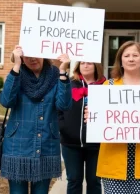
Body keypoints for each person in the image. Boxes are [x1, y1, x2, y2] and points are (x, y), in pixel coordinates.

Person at [85, 41, 140, 194]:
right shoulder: (108, 87)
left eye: (135, 55)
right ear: (120, 60)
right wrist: (92, 118)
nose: (131, 59)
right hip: (114, 162)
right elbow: (100, 124)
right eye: (126, 56)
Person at [0, 45, 72, 194]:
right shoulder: (16, 74)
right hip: (17, 146)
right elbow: (6, 101)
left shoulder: (56, 74)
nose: (32, 59)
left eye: (36, 54)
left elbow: (64, 105)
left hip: (46, 144)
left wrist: (63, 71)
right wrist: (16, 65)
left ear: (44, 54)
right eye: (27, 56)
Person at [58, 61, 106, 194]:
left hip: (97, 144)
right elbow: (59, 107)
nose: (85, 66)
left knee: (94, 181)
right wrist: (63, 126)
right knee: (73, 180)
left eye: (89, 63)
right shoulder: (68, 84)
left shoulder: (106, 86)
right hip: (70, 143)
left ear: (96, 66)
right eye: (82, 63)